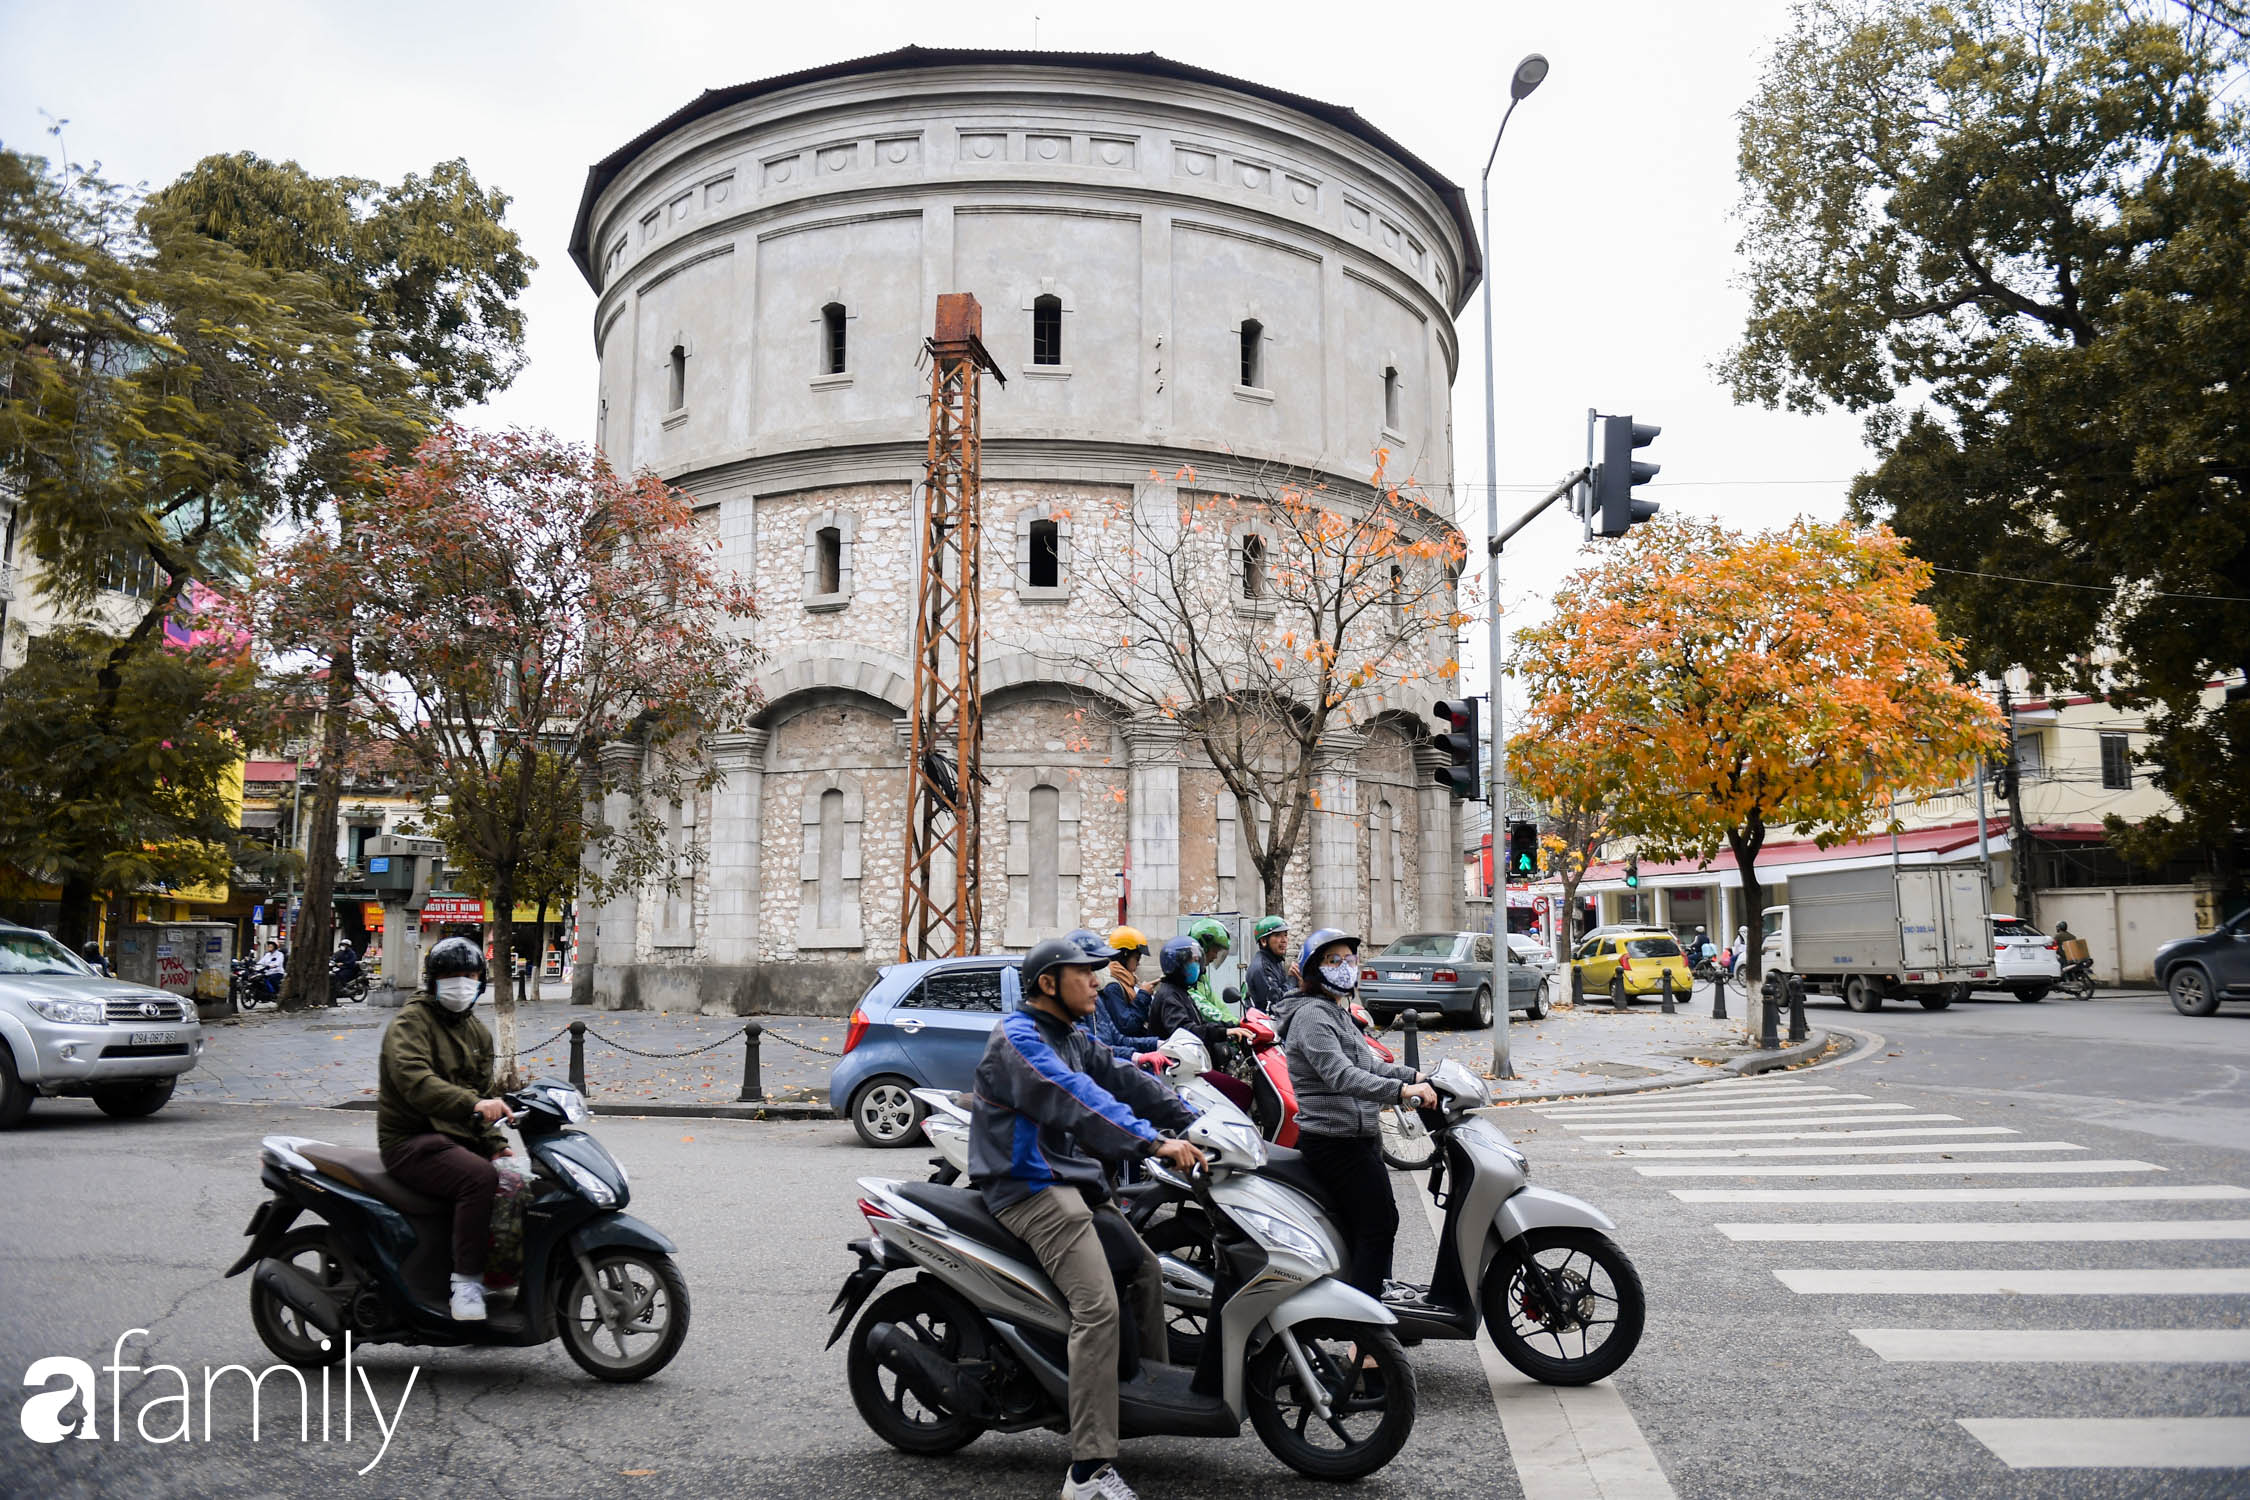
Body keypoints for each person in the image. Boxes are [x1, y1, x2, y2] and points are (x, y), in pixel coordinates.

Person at [969, 934, 1206, 1500]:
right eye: (1085, 974)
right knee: (1097, 1308)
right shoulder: (1019, 1040)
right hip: (1030, 1188)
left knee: (1147, 1269)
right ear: (1048, 983)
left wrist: (1196, 1119)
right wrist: (1153, 1143)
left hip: (1070, 1181)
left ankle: (1136, 1403)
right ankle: (1087, 1470)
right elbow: (1074, 1095)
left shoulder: (1071, 1036)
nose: (1098, 983)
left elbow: (1125, 1079)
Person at [1273, 929, 1437, 1304]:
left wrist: (1415, 1076)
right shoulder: (1313, 1017)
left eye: (1350, 960)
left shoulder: (1335, 1011)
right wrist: (1402, 1092)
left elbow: (1367, 1064)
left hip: (1358, 1137)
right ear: (1316, 968)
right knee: (1378, 1225)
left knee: (1372, 1224)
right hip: (1334, 1142)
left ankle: (1377, 1297)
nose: (1346, 967)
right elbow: (1342, 1076)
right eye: (1335, 961)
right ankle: (1363, 1335)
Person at [375, 935, 513, 1322]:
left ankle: (489, 1270)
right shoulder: (410, 1023)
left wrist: (497, 1142)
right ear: (433, 981)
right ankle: (466, 1282)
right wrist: (472, 1104)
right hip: (411, 1140)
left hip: (454, 1140)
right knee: (478, 1179)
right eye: (452, 976)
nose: (461, 984)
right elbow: (416, 1081)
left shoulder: (477, 1032)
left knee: (515, 1179)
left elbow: (484, 1092)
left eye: (470, 975)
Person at [1095, 926, 1165, 1062]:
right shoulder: (1113, 986)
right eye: (1137, 958)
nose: (1138, 963)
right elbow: (1127, 1026)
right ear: (1125, 954)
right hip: (1121, 1058)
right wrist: (1144, 995)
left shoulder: (1126, 980)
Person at [1187, 917, 1238, 1025]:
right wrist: (1231, 1023)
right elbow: (1202, 1006)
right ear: (1202, 948)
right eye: (1215, 950)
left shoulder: (1202, 975)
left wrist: (1236, 1021)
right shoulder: (1188, 977)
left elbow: (1215, 1002)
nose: (1215, 956)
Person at [1244, 916, 1294, 1014]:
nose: (1284, 940)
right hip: (1265, 1025)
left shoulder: (1275, 961)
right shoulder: (1262, 967)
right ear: (1263, 941)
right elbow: (1277, 1004)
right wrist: (1292, 979)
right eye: (1278, 935)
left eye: (1285, 935)